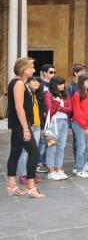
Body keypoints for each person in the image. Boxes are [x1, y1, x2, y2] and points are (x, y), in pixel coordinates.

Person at [7, 57, 45, 198]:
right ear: (23, 69)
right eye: (31, 67)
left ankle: (11, 184)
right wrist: (25, 129)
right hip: (20, 126)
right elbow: (19, 108)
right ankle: (30, 185)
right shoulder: (19, 84)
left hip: (18, 126)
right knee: (34, 153)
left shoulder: (18, 83)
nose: (34, 70)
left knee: (15, 154)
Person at [17, 76, 45, 185]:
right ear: (27, 83)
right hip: (27, 126)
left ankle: (31, 174)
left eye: (38, 81)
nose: (36, 83)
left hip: (37, 126)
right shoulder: (24, 94)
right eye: (33, 81)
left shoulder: (37, 95)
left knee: (34, 151)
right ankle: (23, 175)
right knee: (24, 152)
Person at [45, 76, 72, 181]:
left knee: (61, 147)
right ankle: (51, 171)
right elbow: (50, 111)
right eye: (60, 84)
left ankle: (59, 169)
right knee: (52, 147)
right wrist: (56, 104)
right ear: (54, 84)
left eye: (63, 84)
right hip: (52, 123)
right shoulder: (48, 94)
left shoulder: (65, 94)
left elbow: (70, 109)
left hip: (65, 122)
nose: (62, 86)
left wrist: (59, 107)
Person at [72, 73, 88, 178]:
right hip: (79, 124)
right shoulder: (77, 95)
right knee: (81, 146)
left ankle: (79, 164)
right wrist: (85, 127)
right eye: (87, 81)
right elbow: (77, 113)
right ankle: (79, 170)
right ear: (82, 82)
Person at [66, 63, 86, 173]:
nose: (83, 74)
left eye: (84, 71)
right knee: (78, 142)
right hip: (76, 118)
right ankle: (76, 163)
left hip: (85, 118)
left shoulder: (85, 86)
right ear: (75, 73)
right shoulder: (71, 87)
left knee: (86, 143)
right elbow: (70, 104)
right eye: (81, 72)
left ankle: (82, 161)